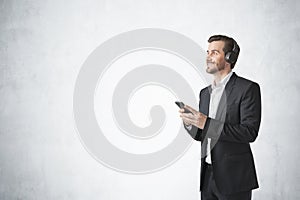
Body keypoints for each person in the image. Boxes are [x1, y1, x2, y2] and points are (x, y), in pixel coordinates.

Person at [179, 35, 261, 200]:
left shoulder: (247, 89)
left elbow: (249, 132)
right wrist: (190, 123)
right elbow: (202, 135)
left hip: (234, 177)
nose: (208, 57)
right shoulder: (205, 93)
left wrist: (207, 123)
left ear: (229, 57)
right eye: (207, 52)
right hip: (207, 175)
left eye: (214, 52)